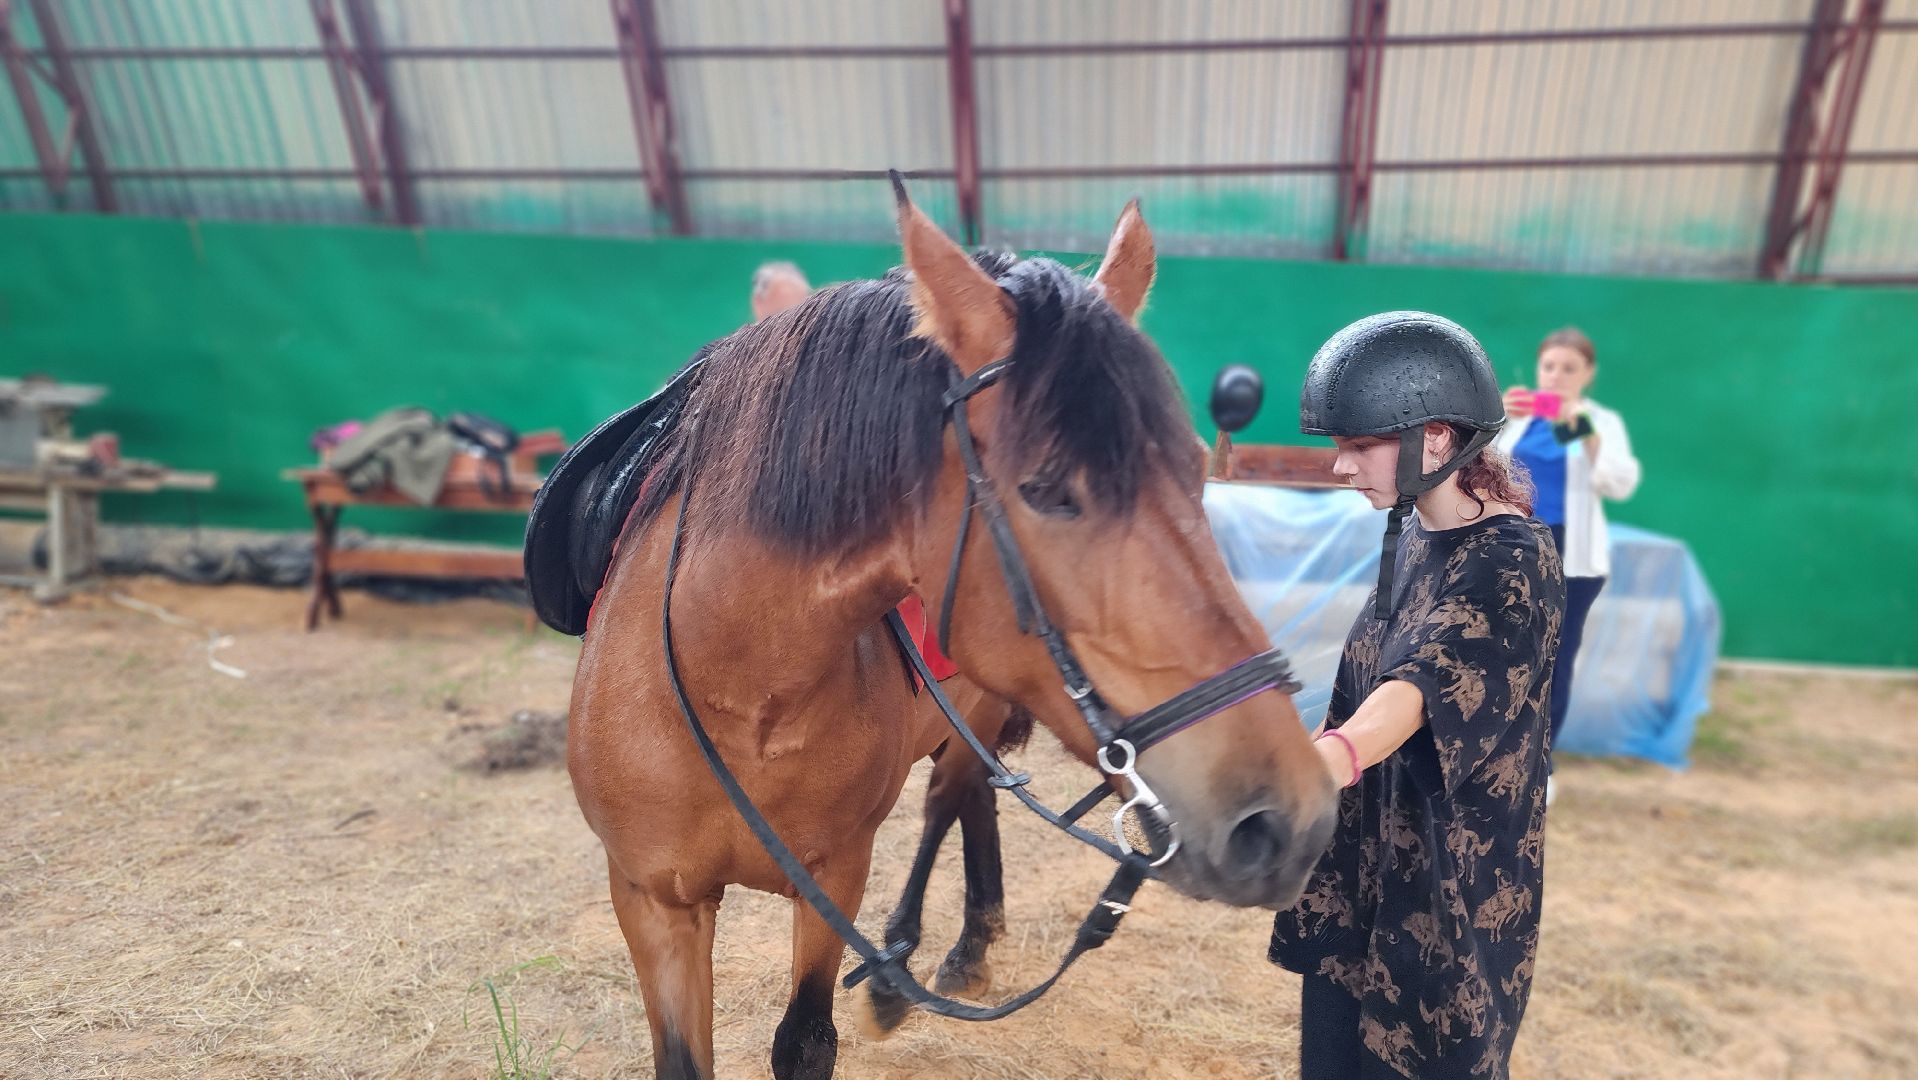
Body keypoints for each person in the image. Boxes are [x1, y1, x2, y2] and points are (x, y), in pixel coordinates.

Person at [1271, 312, 1565, 1079]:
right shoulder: (1407, 539)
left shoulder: (1512, 560)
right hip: (1369, 864)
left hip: (1447, 886)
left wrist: (1324, 760)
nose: (1341, 467)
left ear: (1435, 437)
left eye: (1358, 446)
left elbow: (1422, 688)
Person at [1496, 327, 1640, 803]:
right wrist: (1493, 415)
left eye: (1569, 369)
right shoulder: (1514, 417)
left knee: (1554, 658)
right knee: (1503, 650)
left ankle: (1541, 765)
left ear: (1588, 375)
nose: (1556, 377)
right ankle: (1492, 753)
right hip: (1513, 545)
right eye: (1549, 367)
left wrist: (1585, 431)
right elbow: (1475, 466)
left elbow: (1618, 483)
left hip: (1572, 555)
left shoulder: (1599, 421)